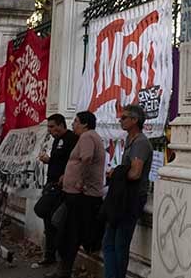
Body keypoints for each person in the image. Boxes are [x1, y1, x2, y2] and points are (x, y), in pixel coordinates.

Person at [51, 112, 104, 278]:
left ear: (85, 124)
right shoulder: (89, 136)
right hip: (75, 192)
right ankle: (63, 269)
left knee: (68, 233)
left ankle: (64, 271)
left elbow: (86, 159)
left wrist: (80, 181)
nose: (73, 124)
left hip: (81, 194)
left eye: (76, 121)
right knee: (64, 230)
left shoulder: (87, 137)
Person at [102, 104, 153, 278]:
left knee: (119, 244)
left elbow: (134, 173)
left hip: (131, 199)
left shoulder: (140, 143)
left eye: (124, 117)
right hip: (122, 198)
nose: (120, 120)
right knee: (110, 242)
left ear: (134, 120)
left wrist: (116, 172)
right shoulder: (131, 141)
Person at [37, 114, 78, 266]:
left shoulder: (71, 139)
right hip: (51, 183)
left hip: (61, 187)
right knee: (47, 220)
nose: (50, 130)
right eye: (49, 127)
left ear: (62, 125)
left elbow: (72, 162)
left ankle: (60, 258)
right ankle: (49, 255)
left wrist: (50, 160)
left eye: (53, 126)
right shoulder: (56, 141)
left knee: (53, 219)